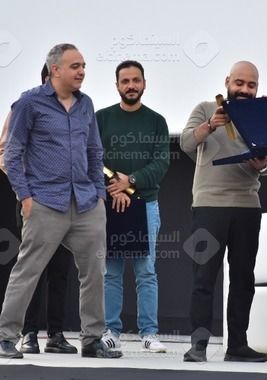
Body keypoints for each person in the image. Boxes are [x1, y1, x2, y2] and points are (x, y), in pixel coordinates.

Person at [0, 43, 120, 359]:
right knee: (27, 271)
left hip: (87, 203)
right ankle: (5, 339)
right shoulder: (29, 103)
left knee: (94, 272)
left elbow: (94, 151)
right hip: (46, 202)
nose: (82, 71)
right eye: (75, 66)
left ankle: (92, 340)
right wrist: (25, 196)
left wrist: (100, 195)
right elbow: (12, 153)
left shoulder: (85, 104)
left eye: (83, 65)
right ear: (55, 70)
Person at [180, 61, 267, 363]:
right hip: (208, 206)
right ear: (227, 82)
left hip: (248, 206)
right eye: (239, 83)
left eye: (251, 85)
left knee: (243, 278)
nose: (245, 89)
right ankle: (198, 346)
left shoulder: (262, 116)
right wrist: (210, 125)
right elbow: (186, 143)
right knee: (203, 277)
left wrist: (263, 165)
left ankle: (237, 346)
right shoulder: (206, 108)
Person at [0, 64, 77, 355]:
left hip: (67, 203)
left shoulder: (75, 111)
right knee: (33, 269)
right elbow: (3, 154)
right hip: (36, 203)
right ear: (47, 79)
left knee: (61, 270)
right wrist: (26, 187)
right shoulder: (25, 108)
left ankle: (56, 334)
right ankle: (28, 333)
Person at [95, 60, 170, 353]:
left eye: (136, 80)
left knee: (146, 272)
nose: (131, 86)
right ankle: (111, 331)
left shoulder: (157, 121)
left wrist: (132, 182)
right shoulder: (101, 118)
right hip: (109, 203)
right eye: (125, 81)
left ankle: (149, 333)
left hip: (145, 204)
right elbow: (93, 159)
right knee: (110, 272)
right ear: (117, 85)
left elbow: (161, 163)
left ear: (144, 84)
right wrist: (117, 187)